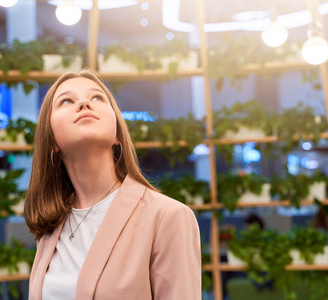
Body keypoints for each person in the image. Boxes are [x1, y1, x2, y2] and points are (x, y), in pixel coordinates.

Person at [24, 69, 201, 300]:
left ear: (117, 133)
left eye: (97, 98)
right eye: (66, 101)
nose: (85, 103)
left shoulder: (168, 217)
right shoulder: (50, 226)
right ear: (52, 141)